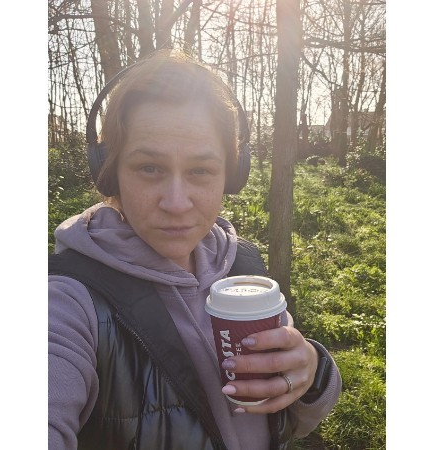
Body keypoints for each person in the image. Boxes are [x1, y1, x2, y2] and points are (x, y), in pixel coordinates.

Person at [48, 49, 342, 450]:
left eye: (200, 171)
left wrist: (313, 374)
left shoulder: (242, 266)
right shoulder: (68, 299)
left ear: (230, 176)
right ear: (110, 171)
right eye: (149, 168)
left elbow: (288, 422)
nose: (176, 203)